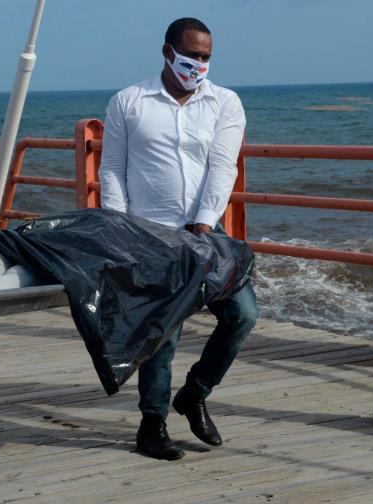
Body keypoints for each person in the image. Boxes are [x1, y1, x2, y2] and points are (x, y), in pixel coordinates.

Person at [99, 17, 258, 460]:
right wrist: (118, 229)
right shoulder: (129, 102)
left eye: (206, 57)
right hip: (149, 233)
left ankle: (195, 393)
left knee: (243, 313)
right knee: (163, 334)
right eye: (192, 56)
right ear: (168, 52)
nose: (199, 65)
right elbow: (112, 169)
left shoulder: (225, 103)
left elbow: (224, 166)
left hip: (206, 231)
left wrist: (205, 223)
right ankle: (153, 424)